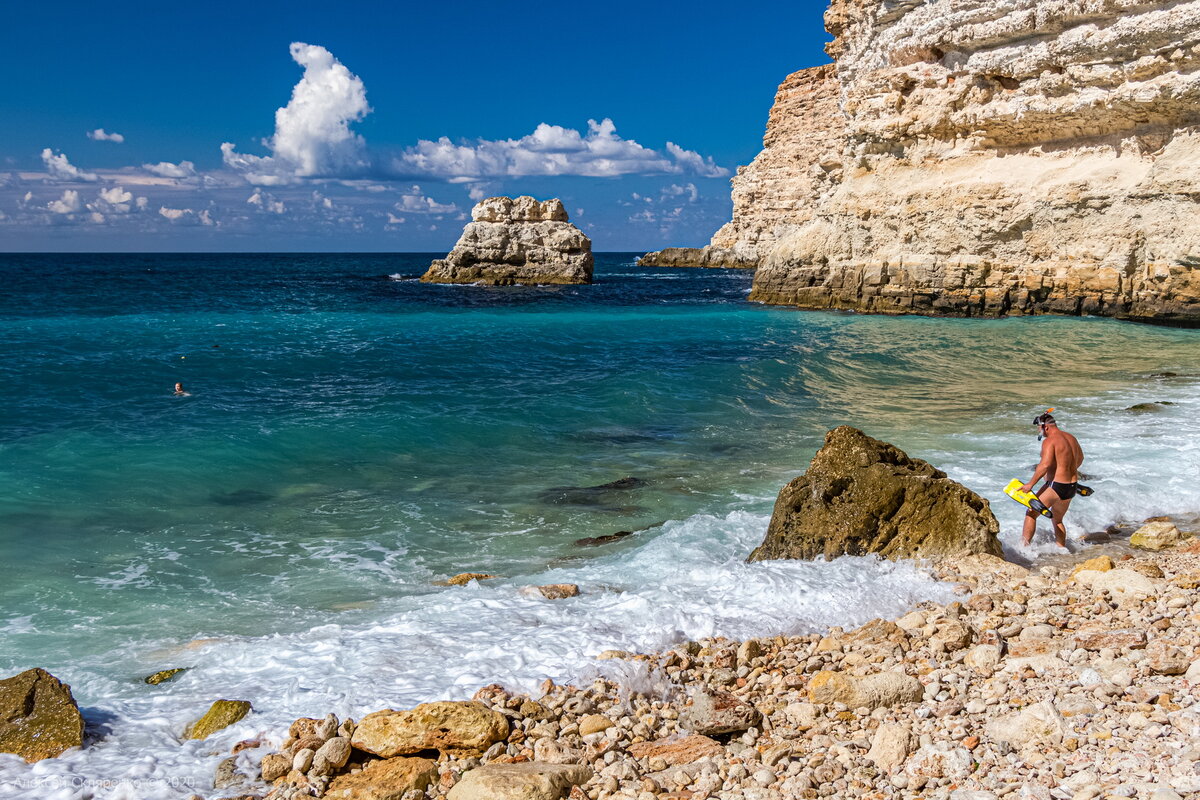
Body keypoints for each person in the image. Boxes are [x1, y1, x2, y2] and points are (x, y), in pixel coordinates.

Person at [1021, 409, 1084, 548]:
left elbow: (1044, 465)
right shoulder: (1071, 437)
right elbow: (1079, 459)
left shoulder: (1050, 441)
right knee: (1058, 519)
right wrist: (1065, 469)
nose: (1040, 432)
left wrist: (1030, 484)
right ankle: (1061, 549)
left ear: (1045, 427)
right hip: (1072, 486)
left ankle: (1023, 550)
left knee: (1031, 513)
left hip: (1056, 486)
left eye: (1039, 428)